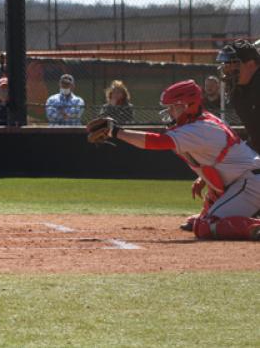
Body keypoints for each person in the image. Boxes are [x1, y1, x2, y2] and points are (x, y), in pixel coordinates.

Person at [87, 79, 260, 240]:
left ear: (189, 105)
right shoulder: (200, 122)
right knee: (202, 217)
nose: (169, 111)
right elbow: (223, 158)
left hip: (250, 182)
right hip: (243, 179)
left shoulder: (199, 128)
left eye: (174, 107)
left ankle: (253, 225)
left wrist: (115, 131)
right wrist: (203, 178)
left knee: (205, 227)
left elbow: (157, 142)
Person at [216, 39, 260, 154]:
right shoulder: (238, 91)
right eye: (226, 64)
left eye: (234, 64)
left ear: (251, 65)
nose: (229, 69)